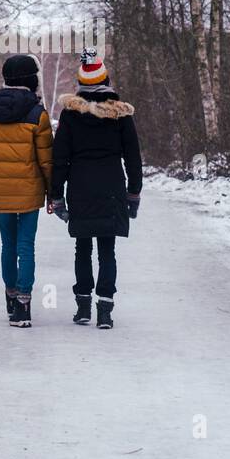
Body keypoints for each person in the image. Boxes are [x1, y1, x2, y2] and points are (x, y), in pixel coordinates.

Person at [49, 48, 142, 329]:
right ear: (107, 80)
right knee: (107, 250)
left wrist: (56, 195)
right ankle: (105, 311)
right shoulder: (120, 115)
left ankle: (83, 309)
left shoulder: (70, 115)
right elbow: (133, 157)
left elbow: (60, 158)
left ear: (81, 84)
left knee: (82, 248)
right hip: (112, 187)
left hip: (80, 188)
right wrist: (133, 194)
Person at [0, 54, 53, 327]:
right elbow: (46, 161)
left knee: (8, 244)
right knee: (25, 246)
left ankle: (9, 295)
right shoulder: (37, 114)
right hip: (28, 191)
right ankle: (23, 305)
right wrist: (53, 192)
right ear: (32, 80)